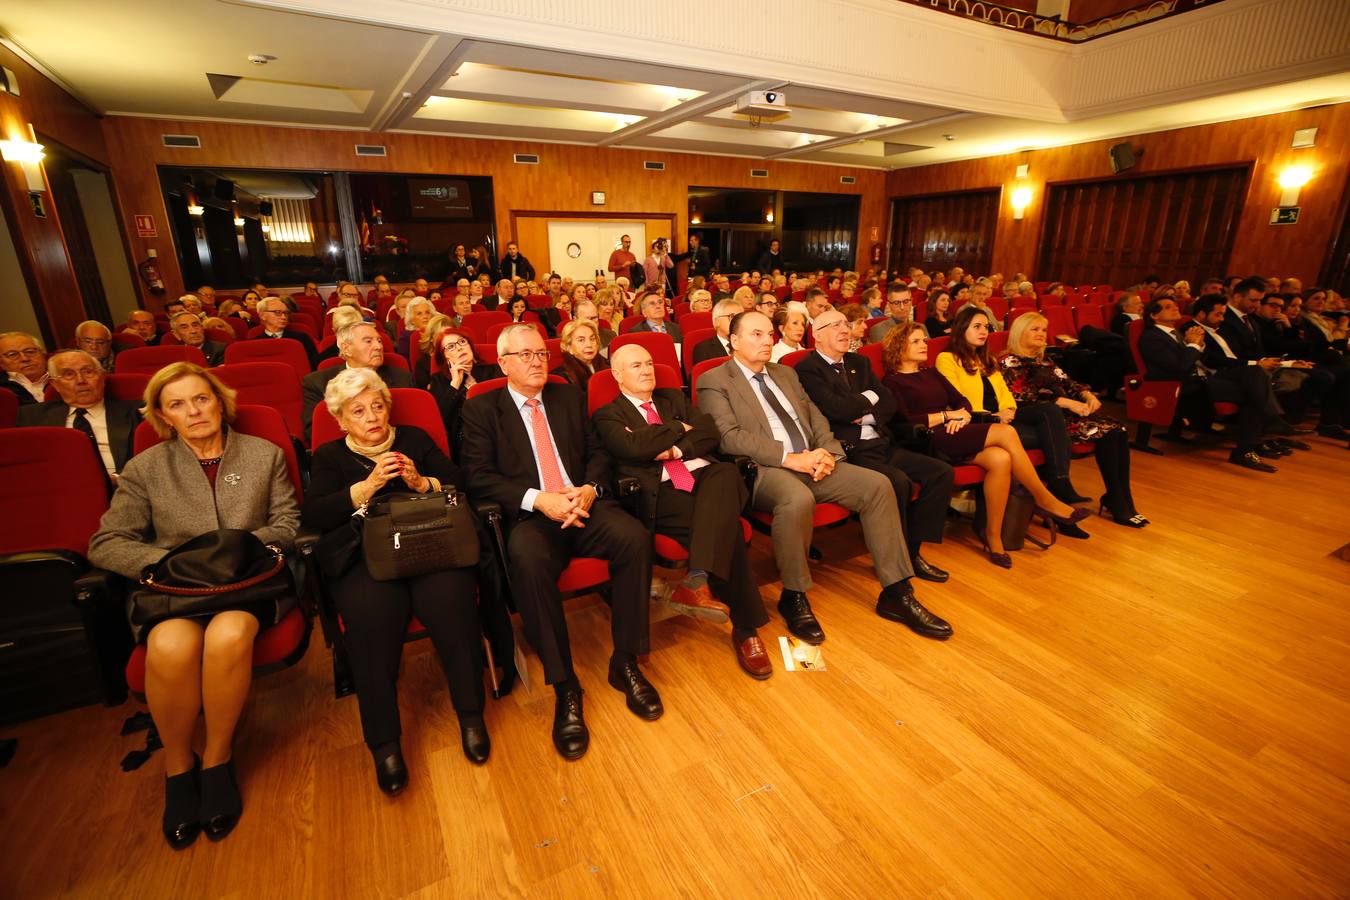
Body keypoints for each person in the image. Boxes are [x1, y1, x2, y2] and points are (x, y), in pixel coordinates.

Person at [87, 362, 298, 848]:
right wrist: (168, 564)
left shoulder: (263, 454)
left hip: (245, 584)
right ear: (162, 416)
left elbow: (286, 523)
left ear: (220, 402)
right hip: (174, 588)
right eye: (177, 404)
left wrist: (234, 552)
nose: (194, 411)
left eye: (201, 399)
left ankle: (218, 758)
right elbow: (107, 542)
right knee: (168, 647)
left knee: (227, 636)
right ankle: (179, 765)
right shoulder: (146, 468)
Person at [460, 324, 660, 760]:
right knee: (527, 561)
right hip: (532, 515)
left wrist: (589, 486)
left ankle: (625, 661)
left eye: (541, 354)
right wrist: (540, 500)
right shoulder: (482, 410)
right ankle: (565, 684)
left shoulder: (568, 395)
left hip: (583, 503)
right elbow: (478, 477)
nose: (537, 361)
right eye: (525, 355)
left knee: (635, 538)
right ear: (504, 364)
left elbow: (598, 452)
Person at [696, 311, 952, 645]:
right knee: (797, 499)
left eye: (769, 334)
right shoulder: (714, 379)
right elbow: (729, 437)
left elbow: (815, 418)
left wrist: (828, 453)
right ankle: (795, 594)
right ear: (734, 341)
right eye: (756, 334)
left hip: (813, 460)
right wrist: (792, 458)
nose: (767, 340)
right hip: (763, 469)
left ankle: (896, 591)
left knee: (878, 485)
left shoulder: (785, 373)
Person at [305, 369, 492, 791]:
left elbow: (460, 484)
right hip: (365, 556)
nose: (372, 416)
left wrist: (421, 481)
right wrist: (365, 487)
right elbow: (314, 515)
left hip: (431, 544)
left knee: (452, 605)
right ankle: (385, 743)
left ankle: (470, 716)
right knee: (371, 621)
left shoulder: (414, 440)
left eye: (377, 406)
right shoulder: (331, 456)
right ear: (341, 420)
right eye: (358, 411)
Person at [594, 344, 774, 678]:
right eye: (636, 365)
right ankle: (746, 629)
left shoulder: (672, 399)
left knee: (726, 472)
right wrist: (679, 429)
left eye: (649, 363)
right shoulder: (609, 414)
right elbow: (632, 447)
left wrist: (671, 446)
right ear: (617, 374)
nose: (647, 370)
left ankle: (698, 579)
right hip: (662, 492)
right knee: (727, 527)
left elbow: (710, 433)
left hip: (708, 478)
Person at [882, 323, 1087, 568]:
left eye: (924, 340)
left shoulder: (931, 373)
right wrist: (948, 416)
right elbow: (904, 421)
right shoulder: (892, 382)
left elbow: (963, 402)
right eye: (915, 341)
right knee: (1006, 432)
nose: (923, 345)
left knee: (1001, 459)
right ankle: (1045, 499)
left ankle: (994, 536)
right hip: (927, 438)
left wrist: (962, 416)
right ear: (898, 347)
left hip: (955, 432)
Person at [797, 309, 955, 582]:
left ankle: (912, 549)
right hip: (851, 449)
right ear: (817, 336)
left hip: (881, 441)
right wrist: (868, 397)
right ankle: (901, 558)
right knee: (899, 482)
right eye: (836, 326)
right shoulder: (807, 368)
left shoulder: (860, 362)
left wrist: (865, 410)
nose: (845, 330)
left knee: (941, 472)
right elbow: (837, 409)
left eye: (846, 324)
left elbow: (889, 401)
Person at [999, 314, 1147, 527]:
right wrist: (1067, 403)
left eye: (1043, 329)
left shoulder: (1045, 360)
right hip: (1040, 420)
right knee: (1109, 431)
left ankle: (1120, 498)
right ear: (1019, 332)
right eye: (1035, 329)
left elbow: (1069, 382)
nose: (1041, 334)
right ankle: (1115, 503)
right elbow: (1022, 396)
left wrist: (1087, 395)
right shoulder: (1010, 360)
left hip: (1061, 415)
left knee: (1118, 431)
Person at [937, 306, 1089, 511]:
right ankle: (1053, 492)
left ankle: (1058, 484)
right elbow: (956, 399)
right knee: (1053, 435)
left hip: (1004, 419)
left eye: (986, 327)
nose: (984, 331)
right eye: (977, 326)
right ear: (962, 329)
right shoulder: (947, 359)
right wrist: (994, 417)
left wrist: (1008, 411)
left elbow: (1005, 394)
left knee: (1049, 412)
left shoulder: (987, 360)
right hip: (977, 422)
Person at [1137, 298, 1278, 472]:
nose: (1174, 308)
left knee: (1255, 375)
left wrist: (1198, 345)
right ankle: (1261, 433)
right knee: (1253, 389)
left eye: (1175, 305)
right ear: (1153, 315)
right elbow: (1180, 369)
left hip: (1205, 380)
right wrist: (1194, 345)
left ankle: (1249, 446)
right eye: (1167, 307)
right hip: (1184, 387)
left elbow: (1199, 359)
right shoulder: (1152, 337)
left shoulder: (1176, 333)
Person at [17, 349, 140, 478]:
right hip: (58, 488)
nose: (81, 380)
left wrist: (117, 478)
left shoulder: (136, 412)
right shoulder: (32, 416)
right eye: (68, 374)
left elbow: (146, 458)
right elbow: (27, 465)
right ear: (55, 384)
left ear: (102, 377)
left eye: (88, 372)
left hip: (121, 486)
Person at [302, 322, 415, 443]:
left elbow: (414, 422)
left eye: (379, 341)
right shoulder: (317, 382)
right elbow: (315, 432)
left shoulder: (402, 378)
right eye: (368, 341)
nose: (379, 346)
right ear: (347, 349)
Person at [427, 326, 501, 456]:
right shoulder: (439, 382)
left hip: (501, 433)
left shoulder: (495, 370)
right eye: (450, 346)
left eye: (462, 342)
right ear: (444, 357)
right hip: (468, 444)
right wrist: (455, 383)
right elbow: (443, 422)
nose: (459, 348)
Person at [253, 297, 318, 368]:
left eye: (286, 313)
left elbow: (314, 365)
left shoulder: (302, 339)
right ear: (262, 316)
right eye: (277, 312)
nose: (284, 317)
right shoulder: (254, 343)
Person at [557, 318, 608, 388]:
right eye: (581, 340)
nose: (589, 344)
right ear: (568, 347)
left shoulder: (607, 364)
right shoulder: (563, 376)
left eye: (592, 339)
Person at [692, 299, 740, 368]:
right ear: (717, 321)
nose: (738, 322)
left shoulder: (750, 343)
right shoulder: (703, 349)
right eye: (732, 316)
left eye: (740, 317)